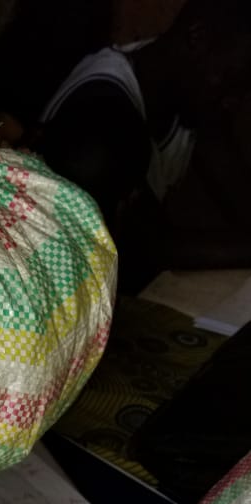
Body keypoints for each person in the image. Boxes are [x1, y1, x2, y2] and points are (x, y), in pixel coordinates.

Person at [37, 0, 251, 290]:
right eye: (231, 80)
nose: (233, 102)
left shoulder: (194, 95)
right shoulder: (104, 113)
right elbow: (150, 248)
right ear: (198, 38)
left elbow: (240, 198)